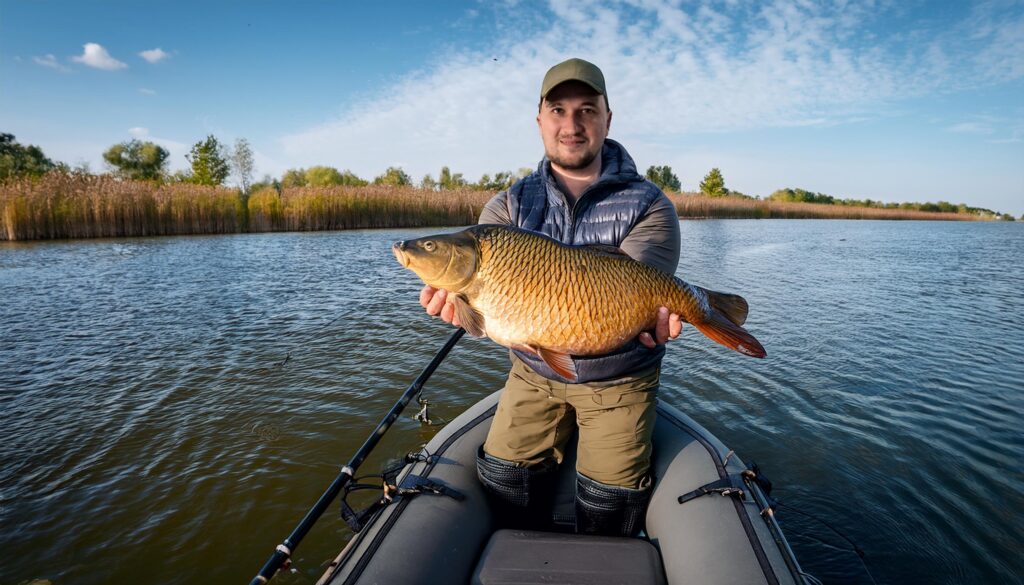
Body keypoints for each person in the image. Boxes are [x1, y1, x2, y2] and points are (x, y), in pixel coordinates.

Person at [419, 58, 682, 537]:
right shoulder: (507, 206)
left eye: (586, 109)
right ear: (539, 118)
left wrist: (656, 316)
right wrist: (461, 309)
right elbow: (489, 316)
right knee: (501, 475)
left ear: (607, 117)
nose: (571, 124)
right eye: (558, 109)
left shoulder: (651, 205)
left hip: (619, 375)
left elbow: (627, 299)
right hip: (534, 370)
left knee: (611, 498)